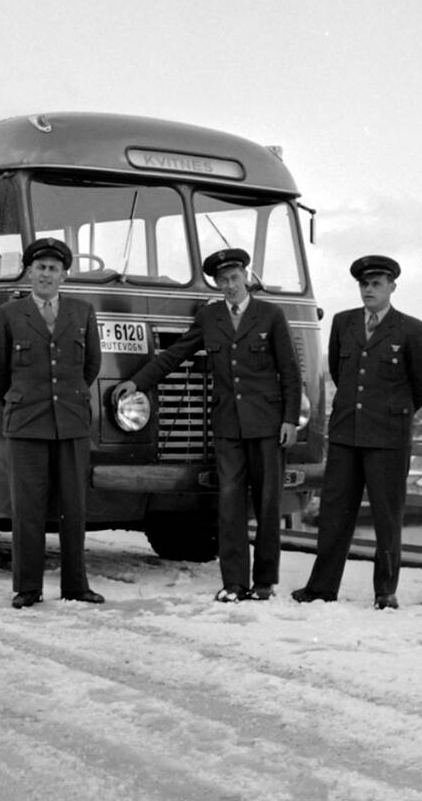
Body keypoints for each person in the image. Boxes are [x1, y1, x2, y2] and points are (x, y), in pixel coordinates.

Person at [114, 248, 300, 603]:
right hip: (229, 425)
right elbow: (175, 354)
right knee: (229, 504)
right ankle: (233, 583)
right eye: (222, 281)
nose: (229, 286)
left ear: (246, 276)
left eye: (234, 278)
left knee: (267, 504)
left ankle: (264, 582)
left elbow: (290, 372)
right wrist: (138, 382)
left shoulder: (271, 315)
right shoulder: (210, 316)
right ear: (216, 283)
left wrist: (290, 419)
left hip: (268, 424)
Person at [292, 256, 422, 610]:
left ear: (391, 288)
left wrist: (388, 412)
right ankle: (322, 587)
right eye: (364, 284)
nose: (369, 290)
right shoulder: (343, 323)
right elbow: (342, 375)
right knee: (335, 513)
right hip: (345, 435)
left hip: (388, 437)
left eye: (377, 284)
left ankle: (385, 590)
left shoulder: (410, 329)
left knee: (387, 517)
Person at [0, 238, 105, 609]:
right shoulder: (9, 314)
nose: (46, 275)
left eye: (54, 269)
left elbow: (91, 367)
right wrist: (22, 398)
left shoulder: (82, 312)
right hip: (27, 423)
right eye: (40, 268)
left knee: (74, 507)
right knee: (28, 508)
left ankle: (75, 586)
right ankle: (27, 588)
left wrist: (68, 398)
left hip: (71, 422)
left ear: (64, 276)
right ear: (29, 272)